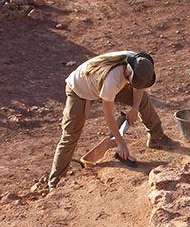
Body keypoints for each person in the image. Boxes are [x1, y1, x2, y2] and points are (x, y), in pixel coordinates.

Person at [49, 51, 176, 189]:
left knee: (142, 100)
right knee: (71, 134)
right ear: (129, 71)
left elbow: (139, 87)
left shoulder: (139, 62)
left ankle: (157, 138)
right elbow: (108, 113)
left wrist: (135, 108)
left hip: (103, 82)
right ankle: (55, 182)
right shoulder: (112, 80)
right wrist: (121, 143)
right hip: (80, 89)